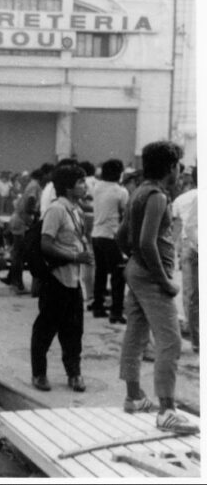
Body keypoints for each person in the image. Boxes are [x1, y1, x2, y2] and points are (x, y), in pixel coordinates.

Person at [117, 141, 197, 434]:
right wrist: (163, 279)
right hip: (152, 274)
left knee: (136, 333)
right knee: (171, 341)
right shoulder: (158, 197)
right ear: (170, 168)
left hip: (137, 270)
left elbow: (122, 236)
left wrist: (134, 261)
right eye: (179, 166)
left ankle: (134, 396)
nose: (181, 171)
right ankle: (167, 411)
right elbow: (147, 242)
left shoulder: (138, 191)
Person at [30, 164, 93, 393]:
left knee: (74, 331)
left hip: (73, 280)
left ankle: (74, 374)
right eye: (80, 183)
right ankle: (39, 373)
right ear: (68, 187)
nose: (85, 186)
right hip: (57, 279)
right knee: (46, 329)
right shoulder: (56, 210)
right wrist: (75, 256)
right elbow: (45, 244)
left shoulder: (76, 210)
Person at [89, 159, 128, 322]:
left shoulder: (96, 187)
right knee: (118, 275)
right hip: (111, 235)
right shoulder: (120, 191)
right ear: (119, 173)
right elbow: (125, 213)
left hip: (96, 234)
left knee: (100, 272)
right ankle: (116, 312)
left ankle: (98, 305)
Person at [0, 168, 43, 294]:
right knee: (19, 254)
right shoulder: (35, 186)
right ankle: (17, 284)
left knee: (18, 253)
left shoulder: (32, 185)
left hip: (19, 220)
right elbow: (29, 205)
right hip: (21, 222)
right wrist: (37, 213)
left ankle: (11, 279)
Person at [172, 166, 198, 353]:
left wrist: (177, 250)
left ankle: (196, 338)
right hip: (195, 248)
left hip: (190, 247)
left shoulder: (182, 199)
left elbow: (179, 228)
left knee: (191, 294)